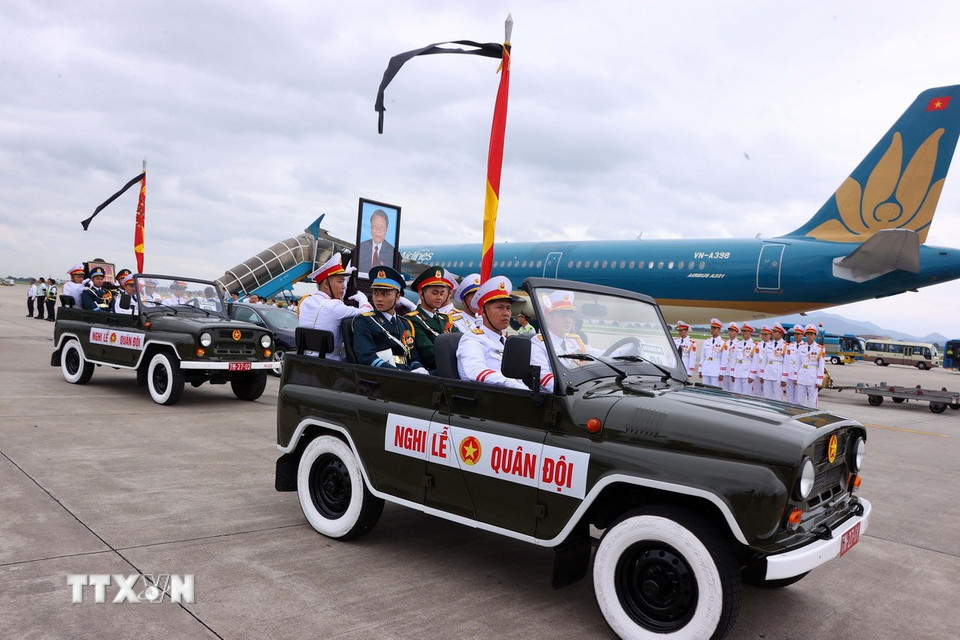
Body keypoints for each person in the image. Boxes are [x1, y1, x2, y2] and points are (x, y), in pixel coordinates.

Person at [456, 276, 529, 390]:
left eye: (508, 308)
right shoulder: (472, 339)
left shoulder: (506, 342)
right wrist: (512, 384)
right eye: (500, 307)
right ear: (483, 312)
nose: (506, 313)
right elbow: (476, 371)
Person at [351, 266, 427, 372]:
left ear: (397, 297)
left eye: (385, 294)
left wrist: (419, 368)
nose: (379, 299)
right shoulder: (365, 321)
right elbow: (366, 357)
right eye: (375, 293)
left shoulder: (406, 323)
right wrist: (398, 373)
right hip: (384, 376)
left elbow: (413, 356)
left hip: (407, 373)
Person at [298, 252, 371, 360]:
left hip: (304, 361)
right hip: (330, 365)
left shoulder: (304, 302)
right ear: (326, 284)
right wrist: (363, 299)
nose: (343, 286)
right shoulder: (335, 307)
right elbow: (368, 313)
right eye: (340, 282)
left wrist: (342, 283)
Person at [405, 266, 458, 373]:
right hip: (432, 372)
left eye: (442, 293)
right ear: (421, 294)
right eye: (435, 293)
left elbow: (462, 342)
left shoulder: (446, 319)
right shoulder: (413, 319)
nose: (439, 297)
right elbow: (429, 352)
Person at [357, 209, 396, 274]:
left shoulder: (392, 253)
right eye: (375, 226)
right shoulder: (361, 247)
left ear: (386, 230)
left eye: (381, 227)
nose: (378, 230)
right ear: (371, 227)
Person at [795, 324, 825, 407]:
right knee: (800, 400)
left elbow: (821, 366)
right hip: (802, 376)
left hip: (812, 376)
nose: (809, 336)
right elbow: (798, 363)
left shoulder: (820, 348)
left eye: (811, 334)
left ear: (815, 336)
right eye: (807, 334)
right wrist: (796, 377)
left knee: (812, 400)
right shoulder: (801, 347)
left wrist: (819, 380)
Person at [761, 324, 787, 401]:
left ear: (781, 333)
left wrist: (784, 378)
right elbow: (764, 360)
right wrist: (762, 374)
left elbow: (786, 363)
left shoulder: (785, 345)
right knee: (767, 395)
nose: (773, 333)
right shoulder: (769, 345)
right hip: (768, 371)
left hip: (778, 372)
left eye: (775, 332)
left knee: (777, 395)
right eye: (773, 331)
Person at [698, 318, 726, 387]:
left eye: (714, 328)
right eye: (711, 328)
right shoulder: (706, 341)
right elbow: (703, 356)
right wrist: (700, 369)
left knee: (714, 389)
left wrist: (722, 373)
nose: (712, 330)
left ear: (719, 329)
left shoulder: (723, 343)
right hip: (706, 368)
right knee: (705, 388)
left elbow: (724, 359)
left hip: (715, 370)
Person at [732, 323, 758, 395]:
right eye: (742, 331)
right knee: (736, 393)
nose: (743, 333)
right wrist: (732, 373)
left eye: (745, 331)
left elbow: (755, 362)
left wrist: (752, 375)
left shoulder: (754, 345)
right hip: (738, 372)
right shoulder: (738, 344)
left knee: (746, 394)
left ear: (750, 332)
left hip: (747, 373)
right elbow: (734, 359)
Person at [782, 325, 806, 403]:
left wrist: (798, 377)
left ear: (802, 335)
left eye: (798, 334)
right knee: (789, 397)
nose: (796, 336)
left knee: (799, 398)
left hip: (800, 376)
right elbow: (786, 362)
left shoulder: (806, 347)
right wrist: (784, 377)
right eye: (795, 334)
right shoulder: (789, 346)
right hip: (790, 374)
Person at [719, 322, 739, 392]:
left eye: (732, 331)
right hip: (725, 371)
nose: (730, 333)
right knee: (724, 390)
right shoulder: (725, 343)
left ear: (737, 332)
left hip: (733, 372)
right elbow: (723, 358)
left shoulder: (738, 344)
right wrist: (721, 372)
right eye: (729, 331)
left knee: (733, 390)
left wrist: (734, 373)